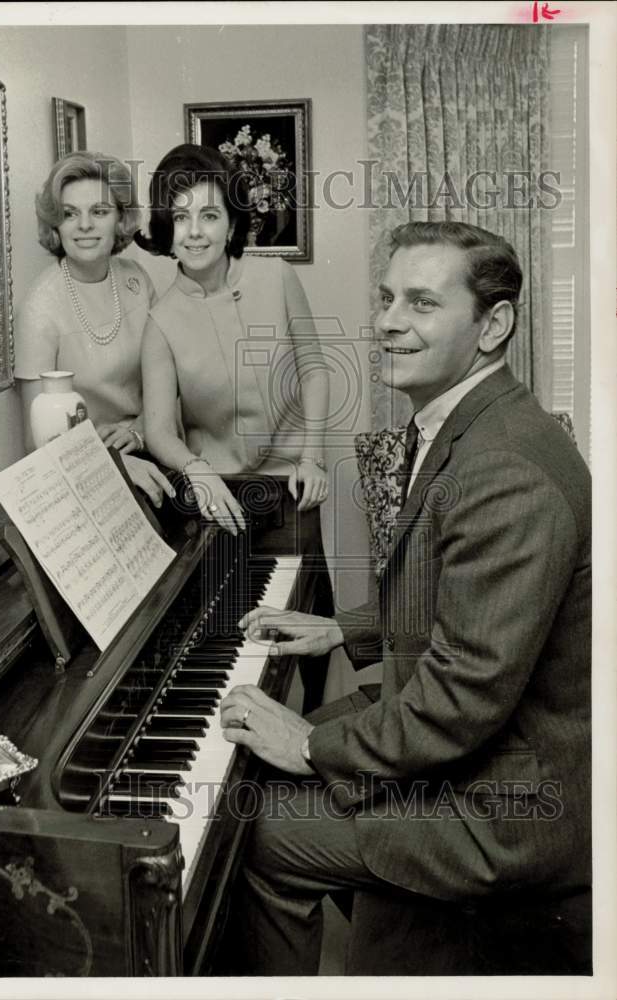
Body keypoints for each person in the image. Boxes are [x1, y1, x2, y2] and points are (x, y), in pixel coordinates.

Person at [219, 221, 591, 975]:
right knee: (249, 761)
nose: (388, 322)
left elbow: (461, 700)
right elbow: (462, 602)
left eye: (421, 304)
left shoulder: (504, 471)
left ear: (493, 325)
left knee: (249, 828)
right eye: (387, 298)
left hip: (506, 805)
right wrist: (342, 629)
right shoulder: (474, 420)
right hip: (481, 746)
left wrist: (311, 745)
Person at [140, 144, 330, 536]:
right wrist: (197, 470)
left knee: (301, 598)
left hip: (290, 485)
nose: (194, 232)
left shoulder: (277, 277)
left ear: (230, 225)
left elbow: (314, 372)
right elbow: (158, 431)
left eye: (209, 216)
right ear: (166, 229)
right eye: (180, 217)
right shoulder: (160, 321)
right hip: (216, 495)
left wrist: (313, 458)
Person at [15, 151, 173, 508]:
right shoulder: (39, 308)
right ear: (55, 224)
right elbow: (36, 440)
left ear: (120, 219)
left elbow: (167, 380)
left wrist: (140, 428)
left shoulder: (135, 277)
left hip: (148, 445)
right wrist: (114, 466)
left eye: (99, 212)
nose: (84, 225)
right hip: (79, 476)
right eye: (70, 214)